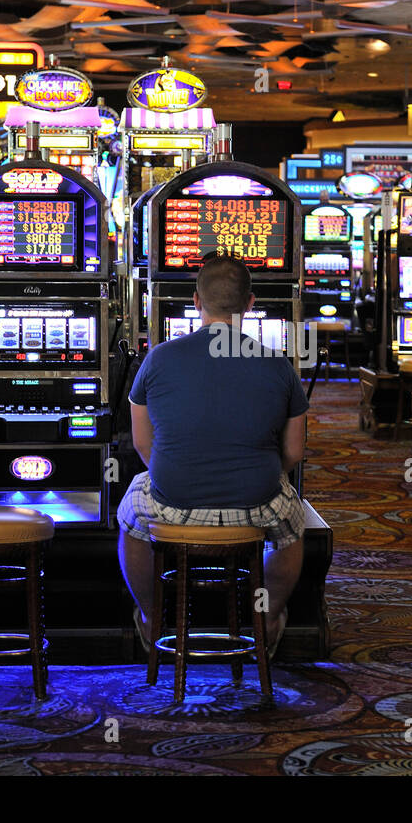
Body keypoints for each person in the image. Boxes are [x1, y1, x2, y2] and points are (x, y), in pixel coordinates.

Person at [118, 253, 307, 653]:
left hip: (173, 502)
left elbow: (141, 443)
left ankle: (153, 617)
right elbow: (293, 452)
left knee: (132, 513)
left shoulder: (158, 357)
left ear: (195, 301)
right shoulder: (279, 365)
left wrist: (180, 471)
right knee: (293, 524)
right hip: (256, 503)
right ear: (251, 304)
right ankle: (269, 617)